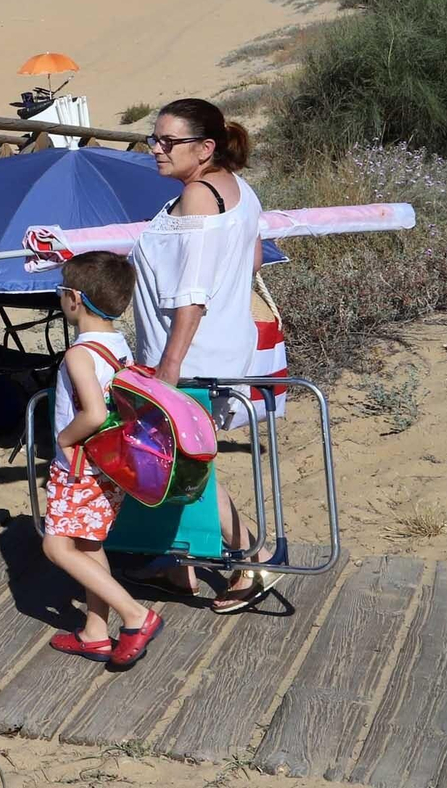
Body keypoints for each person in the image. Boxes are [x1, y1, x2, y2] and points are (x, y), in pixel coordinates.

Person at [128, 97, 279, 613]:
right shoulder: (239, 189)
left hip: (191, 353)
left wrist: (168, 366)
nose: (156, 149)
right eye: (154, 138)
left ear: (205, 147)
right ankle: (178, 565)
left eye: (168, 141)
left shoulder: (196, 196)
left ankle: (252, 556)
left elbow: (190, 292)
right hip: (219, 344)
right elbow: (252, 255)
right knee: (176, 457)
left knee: (187, 459)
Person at [42, 252, 164, 667]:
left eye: (61, 291)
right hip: (109, 469)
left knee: (57, 547)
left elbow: (92, 414)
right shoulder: (118, 346)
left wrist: (62, 438)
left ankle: (135, 615)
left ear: (74, 299)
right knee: (89, 544)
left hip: (79, 468)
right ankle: (95, 631)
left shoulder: (79, 354)